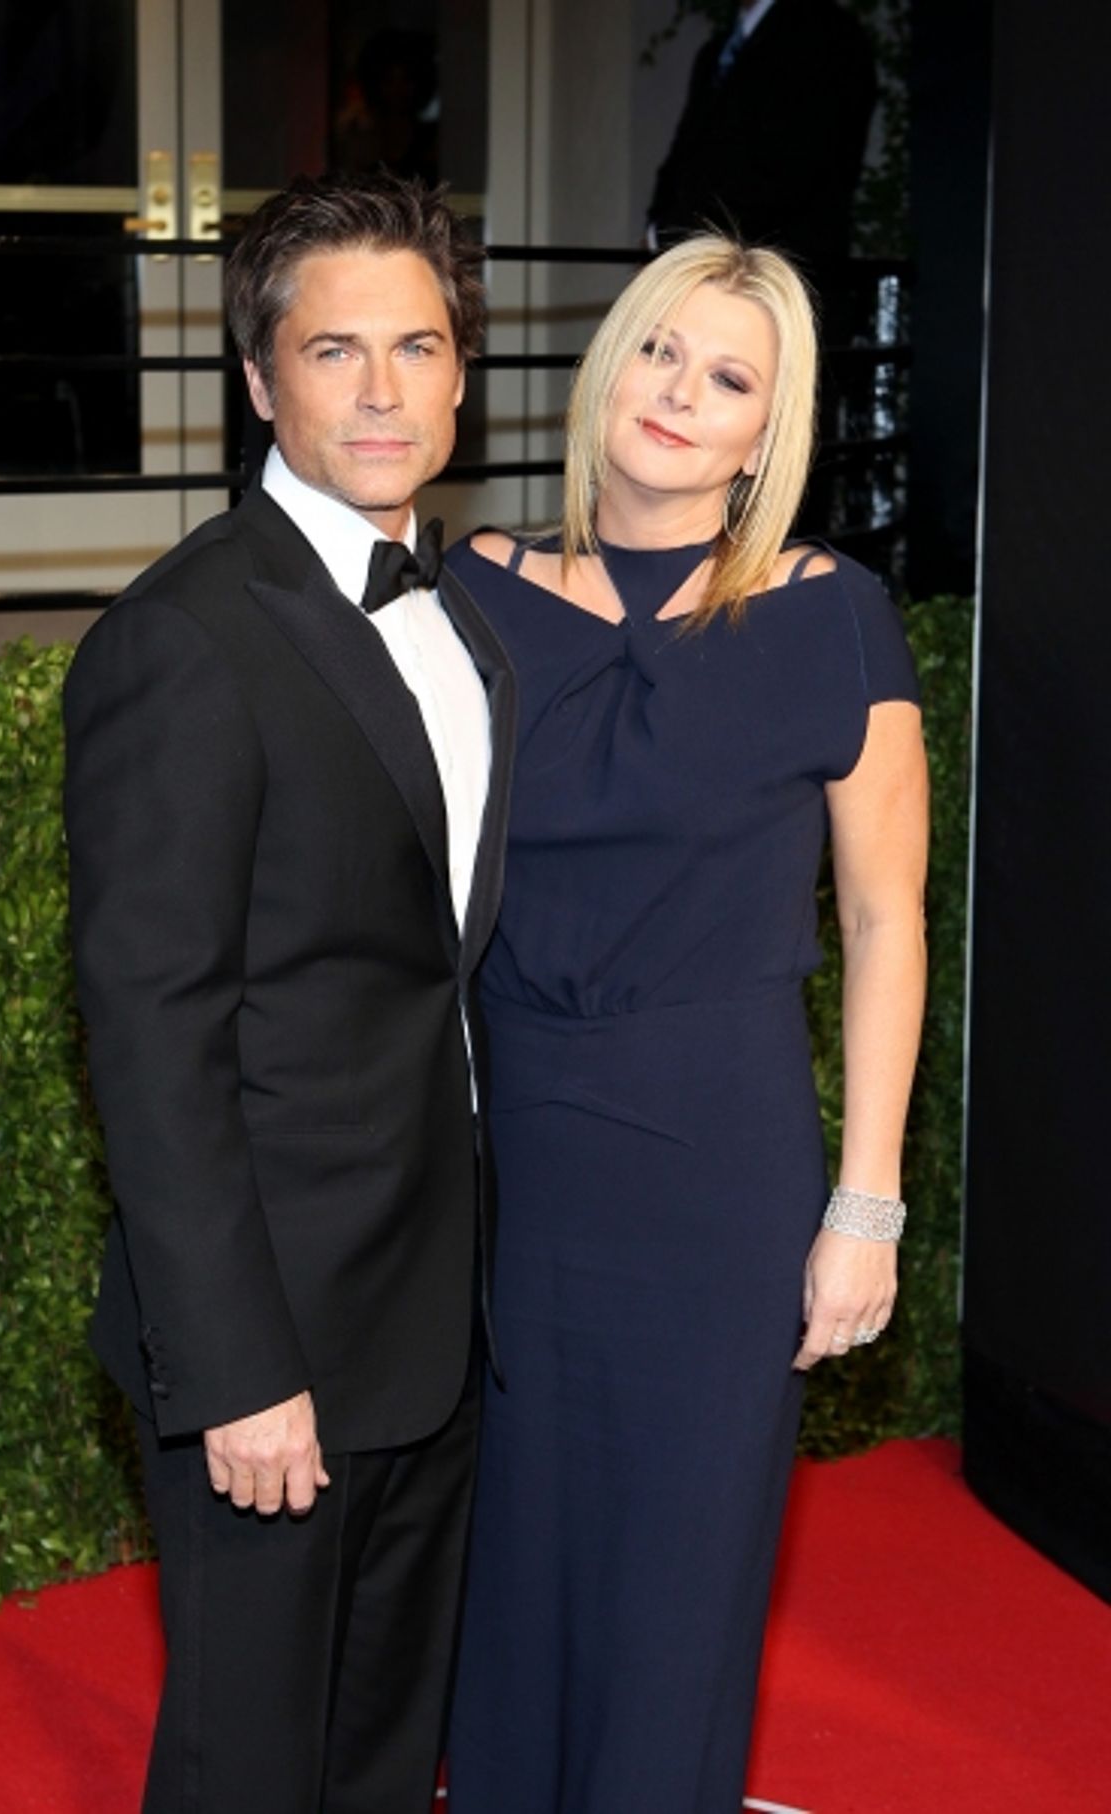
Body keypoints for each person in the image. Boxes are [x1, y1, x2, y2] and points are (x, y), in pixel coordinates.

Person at [443, 233, 928, 1813]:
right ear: (610, 363)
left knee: (679, 1583)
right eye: (659, 349)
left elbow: (885, 922)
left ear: (766, 431)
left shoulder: (834, 617)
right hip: (513, 1165)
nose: (677, 392)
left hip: (719, 1168)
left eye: (728, 378)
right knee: (513, 1564)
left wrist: (867, 1201)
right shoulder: (472, 590)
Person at [63, 172, 515, 1814]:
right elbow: (153, 1036)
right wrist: (238, 1365)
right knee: (249, 1766)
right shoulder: (184, 640)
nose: (384, 391)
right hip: (277, 1336)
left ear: (462, 373)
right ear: (261, 379)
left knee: (386, 1757)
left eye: (419, 346)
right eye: (336, 350)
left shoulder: (470, 620)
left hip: (436, 1313)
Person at [648, 0, 877, 298]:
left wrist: (675, 236)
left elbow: (792, 170)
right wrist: (658, 231)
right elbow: (683, 156)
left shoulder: (827, 35)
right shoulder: (714, 53)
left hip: (780, 279)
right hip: (704, 272)